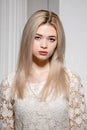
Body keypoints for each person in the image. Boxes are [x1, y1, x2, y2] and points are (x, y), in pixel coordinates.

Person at [0, 10, 87, 130]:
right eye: (37, 37)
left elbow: (79, 127)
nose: (44, 45)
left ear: (58, 43)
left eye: (51, 39)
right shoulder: (10, 83)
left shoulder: (71, 80)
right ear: (27, 38)